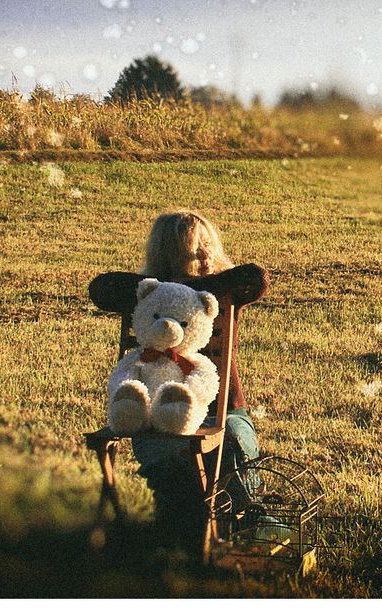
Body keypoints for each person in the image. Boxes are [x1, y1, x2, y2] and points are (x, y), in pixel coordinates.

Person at [130, 210, 268, 550]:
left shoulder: (228, 292)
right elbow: (101, 289)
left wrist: (191, 287)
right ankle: (184, 532)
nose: (206, 255)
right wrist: (168, 288)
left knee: (233, 439)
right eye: (194, 249)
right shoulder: (151, 298)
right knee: (172, 462)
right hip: (165, 412)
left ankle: (248, 525)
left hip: (226, 412)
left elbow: (257, 278)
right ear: (169, 254)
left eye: (208, 245)